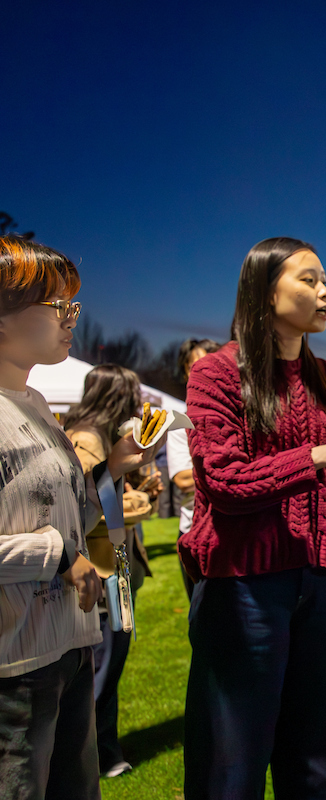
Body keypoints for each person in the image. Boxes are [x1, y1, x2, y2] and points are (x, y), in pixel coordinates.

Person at [180, 238, 326, 798]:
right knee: (232, 757)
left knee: (322, 754)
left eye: (325, 280)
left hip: (320, 581)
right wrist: (315, 455)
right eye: (309, 280)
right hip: (242, 587)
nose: (325, 292)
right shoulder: (216, 374)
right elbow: (224, 480)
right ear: (265, 292)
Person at [0, 236, 148, 799]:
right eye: (57, 304)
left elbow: (73, 517)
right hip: (13, 668)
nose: (71, 318)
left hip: (68, 647)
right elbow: (60, 542)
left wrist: (114, 470)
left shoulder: (36, 405)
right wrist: (58, 556)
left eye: (73, 305)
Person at [62, 364, 158, 778]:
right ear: (117, 396)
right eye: (133, 394)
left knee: (108, 664)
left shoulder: (100, 436)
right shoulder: (86, 440)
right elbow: (81, 507)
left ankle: (103, 749)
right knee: (101, 666)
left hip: (111, 565)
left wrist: (136, 488)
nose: (138, 403)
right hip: (102, 570)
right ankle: (88, 755)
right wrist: (135, 503)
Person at [166, 337, 221, 600]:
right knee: (202, 611)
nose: (203, 371)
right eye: (194, 366)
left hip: (239, 530)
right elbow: (182, 480)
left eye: (211, 363)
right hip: (195, 530)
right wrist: (234, 471)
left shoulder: (242, 413)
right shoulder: (181, 420)